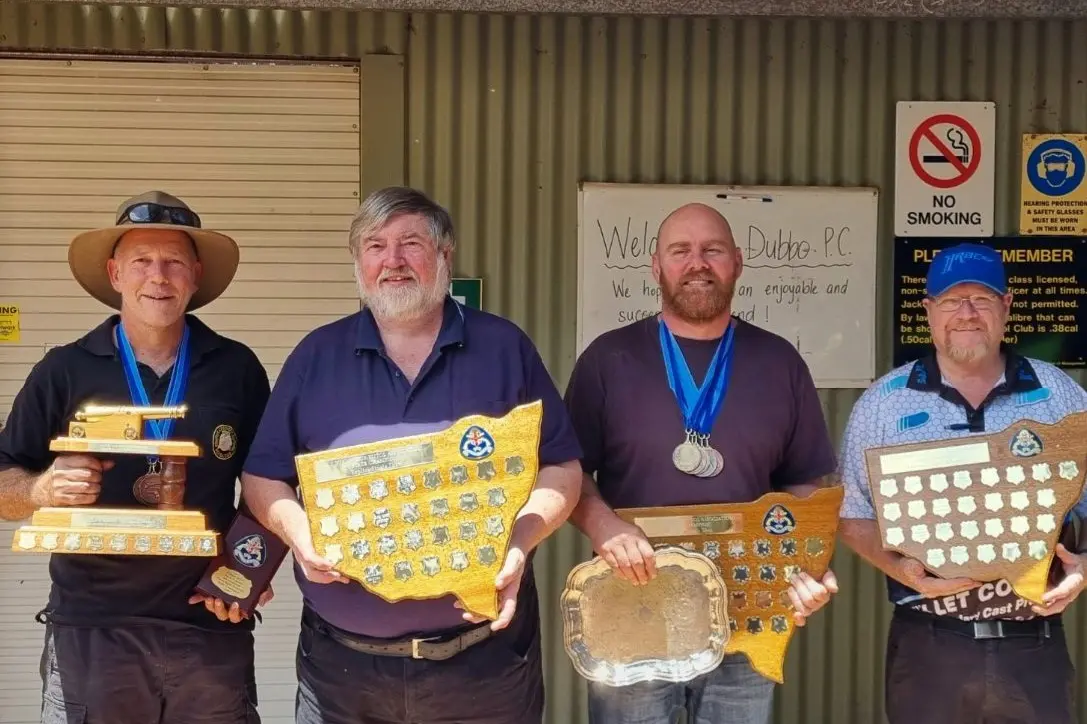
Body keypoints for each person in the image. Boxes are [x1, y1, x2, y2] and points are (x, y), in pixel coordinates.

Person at [239, 186, 583, 724]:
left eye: (410, 243)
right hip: (342, 676)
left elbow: (561, 466)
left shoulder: (503, 348)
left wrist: (520, 543)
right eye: (375, 246)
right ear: (358, 262)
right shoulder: (316, 355)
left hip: (482, 668)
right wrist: (301, 539)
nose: (392, 261)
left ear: (445, 255)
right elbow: (263, 477)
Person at [0, 191, 274, 723]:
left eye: (174, 262)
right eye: (142, 262)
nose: (159, 276)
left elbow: (269, 483)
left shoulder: (236, 368)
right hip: (92, 630)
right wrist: (40, 490)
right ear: (115, 273)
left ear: (195, 275)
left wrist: (247, 571)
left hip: (208, 622)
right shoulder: (63, 370)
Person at [563, 202, 840, 724]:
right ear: (656, 266)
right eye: (680, 251)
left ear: (736, 262)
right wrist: (603, 525)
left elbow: (805, 482)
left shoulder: (779, 362)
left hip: (747, 609)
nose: (697, 263)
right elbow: (568, 470)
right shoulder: (608, 359)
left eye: (712, 250)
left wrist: (805, 566)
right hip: (633, 605)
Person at [838, 242, 1087, 724]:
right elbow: (853, 516)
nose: (967, 314)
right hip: (929, 644)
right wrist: (904, 571)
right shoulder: (883, 404)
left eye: (983, 299)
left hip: (1032, 642)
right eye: (952, 301)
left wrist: (1083, 568)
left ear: (1007, 307)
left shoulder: (1059, 395)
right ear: (929, 311)